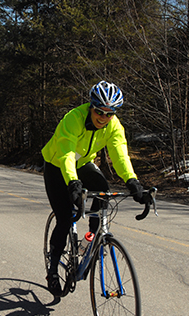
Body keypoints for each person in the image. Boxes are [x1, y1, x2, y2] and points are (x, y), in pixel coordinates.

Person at [41, 80, 145, 296]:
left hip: (83, 163)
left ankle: (91, 237)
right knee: (64, 218)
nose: (103, 117)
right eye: (99, 111)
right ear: (91, 106)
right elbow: (66, 153)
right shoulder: (73, 119)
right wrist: (72, 182)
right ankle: (52, 271)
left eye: (110, 113)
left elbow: (120, 154)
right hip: (57, 165)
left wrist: (132, 181)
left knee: (103, 189)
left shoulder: (114, 125)